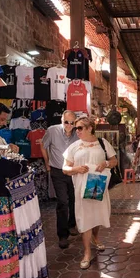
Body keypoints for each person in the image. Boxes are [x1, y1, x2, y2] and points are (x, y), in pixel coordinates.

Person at [62, 117, 118, 269]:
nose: (76, 131)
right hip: (81, 187)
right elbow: (65, 168)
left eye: (79, 128)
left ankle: (95, 237)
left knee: (97, 214)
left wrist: (105, 163)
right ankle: (87, 252)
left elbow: (114, 161)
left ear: (90, 128)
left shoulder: (102, 143)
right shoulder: (74, 146)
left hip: (98, 184)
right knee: (84, 218)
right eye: (75, 128)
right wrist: (76, 169)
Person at [41, 110, 79, 249]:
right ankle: (62, 235)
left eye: (71, 122)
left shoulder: (78, 133)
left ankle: (71, 224)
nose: (69, 125)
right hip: (57, 171)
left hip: (74, 171)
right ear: (61, 121)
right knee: (63, 201)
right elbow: (43, 146)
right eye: (66, 122)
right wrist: (47, 162)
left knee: (74, 199)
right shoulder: (52, 131)